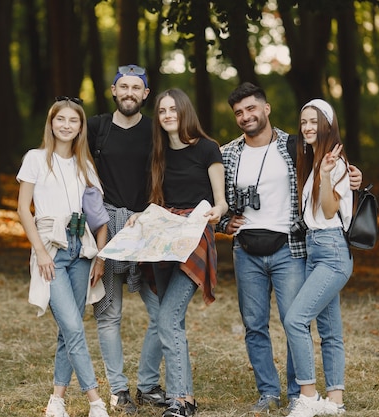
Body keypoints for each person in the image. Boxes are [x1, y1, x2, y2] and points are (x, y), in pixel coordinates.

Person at [218, 83, 361, 414]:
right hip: (247, 250)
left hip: (292, 248)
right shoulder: (228, 153)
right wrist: (223, 225)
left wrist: (352, 176)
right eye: (239, 112)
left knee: (295, 320)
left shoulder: (294, 146)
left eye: (251, 108)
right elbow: (209, 194)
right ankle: (270, 392)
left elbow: (333, 172)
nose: (246, 116)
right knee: (255, 324)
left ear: (266, 109)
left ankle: (301, 394)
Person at [127, 88, 228, 417]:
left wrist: (216, 212)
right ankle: (149, 386)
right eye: (162, 110)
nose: (168, 114)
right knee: (167, 318)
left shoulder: (207, 148)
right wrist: (141, 215)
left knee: (168, 317)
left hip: (194, 237)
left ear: (185, 111)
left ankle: (182, 399)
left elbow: (220, 201)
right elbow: (157, 202)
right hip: (162, 238)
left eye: (173, 108)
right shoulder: (157, 152)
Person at [17, 97, 110, 417]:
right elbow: (22, 210)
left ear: (81, 127)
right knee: (73, 326)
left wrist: (99, 257)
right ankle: (95, 401)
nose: (67, 125)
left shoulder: (85, 165)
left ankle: (57, 400)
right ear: (51, 122)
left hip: (81, 250)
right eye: (61, 120)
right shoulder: (35, 158)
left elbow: (98, 216)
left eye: (74, 121)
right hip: (51, 249)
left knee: (68, 329)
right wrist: (40, 253)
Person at [86, 64, 167, 413]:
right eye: (124, 87)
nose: (130, 93)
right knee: (109, 315)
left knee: (165, 313)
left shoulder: (156, 131)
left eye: (137, 87)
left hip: (147, 228)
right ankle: (118, 391)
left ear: (145, 94)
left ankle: (148, 385)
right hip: (105, 227)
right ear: (113, 91)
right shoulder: (96, 128)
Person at [283, 99, 352, 417]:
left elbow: (328, 210)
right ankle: (335, 402)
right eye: (303, 122)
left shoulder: (333, 163)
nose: (307, 127)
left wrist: (325, 175)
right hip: (316, 249)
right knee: (329, 330)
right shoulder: (313, 162)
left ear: (327, 123)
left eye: (314, 121)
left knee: (295, 320)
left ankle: (308, 396)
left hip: (332, 251)